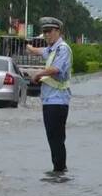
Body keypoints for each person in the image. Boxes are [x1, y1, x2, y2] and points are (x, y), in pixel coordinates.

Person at [26, 17, 72, 174]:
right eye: (44, 32)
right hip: (49, 101)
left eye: (49, 31)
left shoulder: (63, 49)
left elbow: (56, 69)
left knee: (56, 139)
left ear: (58, 31)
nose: (46, 35)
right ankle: (58, 170)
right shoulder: (52, 49)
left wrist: (38, 74)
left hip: (57, 101)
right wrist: (29, 47)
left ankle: (59, 172)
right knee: (52, 138)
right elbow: (41, 51)